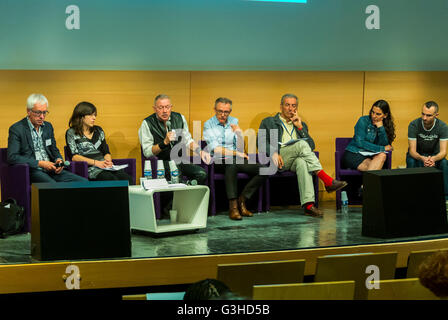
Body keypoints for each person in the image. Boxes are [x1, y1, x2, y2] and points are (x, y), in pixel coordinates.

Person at [258, 93, 347, 217]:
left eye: (293, 106)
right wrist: (274, 152)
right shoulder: (269, 122)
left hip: (295, 159)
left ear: (297, 108)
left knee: (302, 162)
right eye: (287, 105)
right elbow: (261, 143)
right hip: (278, 159)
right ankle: (327, 180)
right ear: (281, 107)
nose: (290, 108)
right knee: (301, 145)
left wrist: (299, 127)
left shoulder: (301, 124)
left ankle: (309, 206)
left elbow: (311, 146)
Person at [203, 97, 267, 220]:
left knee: (263, 169)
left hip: (234, 159)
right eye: (219, 111)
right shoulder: (208, 124)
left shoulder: (233, 122)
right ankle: (233, 207)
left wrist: (239, 133)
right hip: (218, 160)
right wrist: (235, 153)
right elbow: (215, 149)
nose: (222, 115)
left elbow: (241, 148)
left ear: (230, 112)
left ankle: (242, 200)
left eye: (226, 112)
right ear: (214, 109)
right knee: (231, 163)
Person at [7, 93, 87, 183]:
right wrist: (40, 163)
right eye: (38, 112)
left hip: (52, 169)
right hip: (34, 170)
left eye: (44, 112)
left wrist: (58, 159)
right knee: (53, 187)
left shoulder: (48, 127)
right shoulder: (17, 129)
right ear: (28, 111)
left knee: (83, 182)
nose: (42, 117)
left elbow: (53, 149)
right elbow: (12, 157)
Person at [138, 94, 211, 184]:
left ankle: (186, 186)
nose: (165, 111)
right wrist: (164, 143)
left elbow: (188, 140)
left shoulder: (179, 118)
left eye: (167, 107)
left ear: (171, 107)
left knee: (202, 174)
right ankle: (179, 191)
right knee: (176, 172)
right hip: (161, 163)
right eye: (161, 108)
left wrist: (200, 151)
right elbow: (147, 152)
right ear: (155, 108)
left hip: (180, 161)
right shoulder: (147, 123)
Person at [65, 101, 133, 184]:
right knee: (110, 180)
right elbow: (74, 157)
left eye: (95, 115)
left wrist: (108, 161)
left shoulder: (98, 130)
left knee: (127, 178)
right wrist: (96, 163)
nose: (94, 118)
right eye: (91, 115)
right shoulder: (71, 133)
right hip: (89, 168)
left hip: (104, 166)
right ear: (81, 116)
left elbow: (106, 151)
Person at [407, 101, 448, 201]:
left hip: (435, 155)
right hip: (418, 155)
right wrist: (422, 158)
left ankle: (445, 198)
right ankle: (410, 195)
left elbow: (443, 152)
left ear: (436, 115)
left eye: (428, 115)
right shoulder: (413, 125)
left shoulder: (443, 127)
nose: (424, 118)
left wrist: (433, 159)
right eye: (423, 114)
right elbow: (412, 150)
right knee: (411, 161)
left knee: (444, 163)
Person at [342, 100, 395, 171]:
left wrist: (381, 128)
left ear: (385, 115)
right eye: (373, 112)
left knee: (382, 156)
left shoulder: (386, 126)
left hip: (372, 156)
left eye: (378, 114)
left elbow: (385, 145)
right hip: (355, 153)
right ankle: (368, 182)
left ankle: (366, 182)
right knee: (376, 169)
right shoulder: (363, 120)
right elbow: (360, 143)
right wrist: (381, 148)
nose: (373, 116)